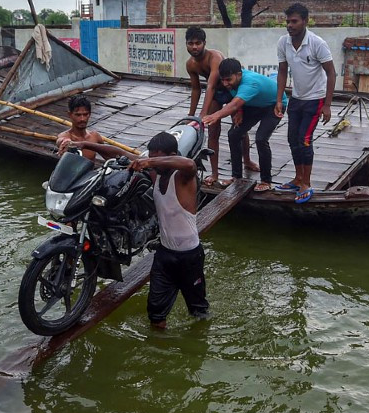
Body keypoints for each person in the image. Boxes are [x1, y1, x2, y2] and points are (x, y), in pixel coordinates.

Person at [66, 132, 209, 329]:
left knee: (198, 311)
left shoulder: (183, 178)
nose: (152, 163)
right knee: (155, 314)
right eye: (150, 157)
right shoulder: (155, 174)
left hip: (189, 256)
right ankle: (160, 350)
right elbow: (116, 153)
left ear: (171, 154)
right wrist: (81, 143)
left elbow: (189, 164)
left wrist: (150, 162)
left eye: (157, 158)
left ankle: (199, 344)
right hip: (164, 256)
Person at [274, 3, 337, 204]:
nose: (289, 25)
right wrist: (279, 99)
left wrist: (327, 105)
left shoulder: (317, 43)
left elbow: (331, 73)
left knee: (305, 139)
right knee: (293, 138)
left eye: (294, 21)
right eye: (288, 21)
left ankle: (306, 183)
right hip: (296, 98)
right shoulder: (283, 42)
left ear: (305, 21)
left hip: (315, 99)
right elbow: (282, 71)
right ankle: (298, 177)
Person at [185, 26, 258, 187]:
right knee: (213, 131)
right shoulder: (190, 65)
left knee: (239, 128)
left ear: (204, 43)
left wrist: (203, 114)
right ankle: (214, 173)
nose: (195, 47)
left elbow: (210, 85)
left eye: (198, 43)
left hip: (232, 91)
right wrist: (191, 116)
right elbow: (196, 89)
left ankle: (247, 160)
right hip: (217, 95)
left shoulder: (215, 57)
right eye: (191, 43)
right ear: (187, 44)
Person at [202, 58, 286, 193]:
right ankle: (236, 177)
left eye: (228, 80)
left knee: (261, 138)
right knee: (234, 134)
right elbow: (237, 100)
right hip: (253, 105)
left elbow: (234, 103)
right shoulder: (231, 81)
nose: (225, 84)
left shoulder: (250, 83)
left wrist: (215, 115)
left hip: (274, 105)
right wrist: (240, 112)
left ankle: (266, 180)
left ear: (239, 75)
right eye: (223, 80)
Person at [55, 94, 104, 161]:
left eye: (85, 114)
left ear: (89, 114)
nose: (82, 119)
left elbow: (108, 154)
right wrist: (66, 141)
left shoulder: (95, 136)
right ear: (70, 115)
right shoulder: (65, 136)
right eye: (78, 115)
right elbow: (60, 140)